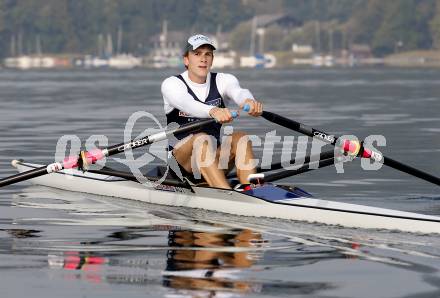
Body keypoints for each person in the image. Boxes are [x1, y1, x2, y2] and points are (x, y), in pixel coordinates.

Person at [161, 34, 263, 189]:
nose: (203, 58)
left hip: (213, 161)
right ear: (186, 60)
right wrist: (213, 111)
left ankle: (254, 189)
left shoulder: (224, 80)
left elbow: (239, 92)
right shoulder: (172, 84)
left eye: (208, 54)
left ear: (212, 59)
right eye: (197, 54)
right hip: (180, 166)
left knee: (241, 138)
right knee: (201, 139)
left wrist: (248, 101)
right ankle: (226, 194)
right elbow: (187, 103)